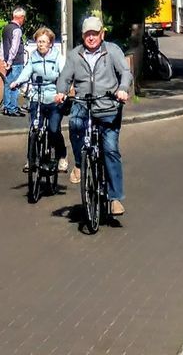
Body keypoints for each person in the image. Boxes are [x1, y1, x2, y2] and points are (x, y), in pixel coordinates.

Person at [55, 15, 132, 217]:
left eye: (94, 34)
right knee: (74, 124)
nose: (91, 38)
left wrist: (123, 89)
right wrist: (61, 91)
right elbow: (65, 77)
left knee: (110, 150)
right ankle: (80, 164)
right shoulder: (75, 55)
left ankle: (115, 198)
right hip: (83, 103)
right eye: (87, 34)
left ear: (102, 34)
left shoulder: (112, 51)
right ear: (83, 35)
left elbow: (125, 72)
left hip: (108, 106)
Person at [10, 26, 69, 172]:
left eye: (44, 41)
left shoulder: (57, 58)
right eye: (38, 41)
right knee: (34, 129)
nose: (40, 44)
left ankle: (62, 156)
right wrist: (17, 82)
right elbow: (26, 72)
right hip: (37, 97)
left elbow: (65, 76)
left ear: (50, 43)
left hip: (54, 98)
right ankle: (31, 160)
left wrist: (63, 92)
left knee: (53, 129)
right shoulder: (33, 58)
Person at [0, 6, 26, 116]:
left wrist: (4, 60)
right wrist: (10, 61)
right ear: (20, 17)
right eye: (23, 18)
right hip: (16, 62)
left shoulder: (6, 28)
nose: (24, 20)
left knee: (7, 84)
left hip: (8, 61)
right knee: (15, 84)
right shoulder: (17, 30)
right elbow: (14, 48)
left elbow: (2, 45)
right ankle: (13, 108)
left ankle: (7, 106)